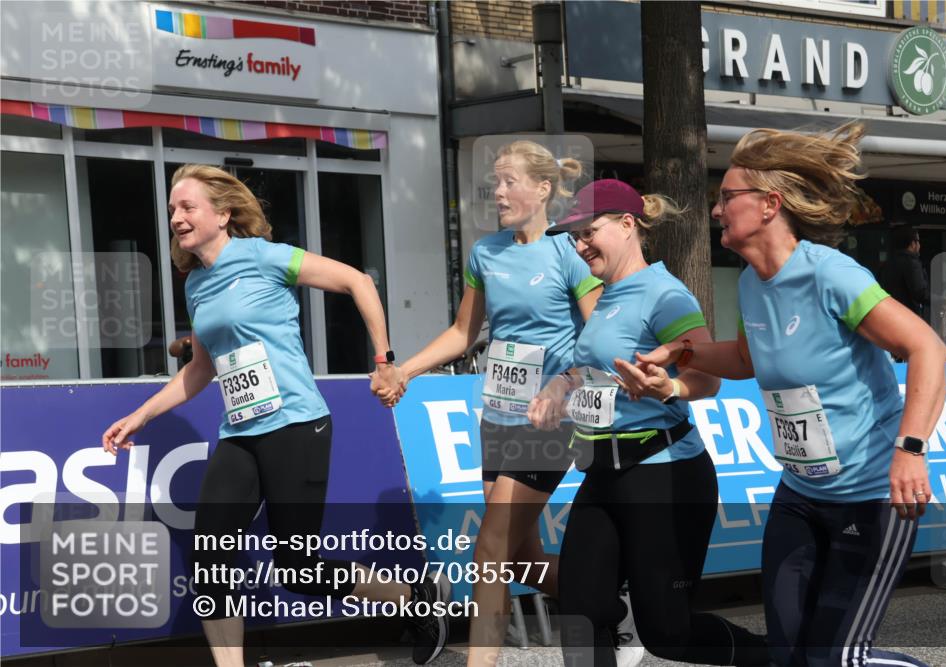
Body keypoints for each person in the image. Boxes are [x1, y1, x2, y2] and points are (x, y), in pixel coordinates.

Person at [103, 165, 448, 667]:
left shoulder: (264, 257)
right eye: (172, 209)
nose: (176, 217)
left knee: (297, 566)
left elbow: (357, 281)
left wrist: (383, 359)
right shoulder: (196, 284)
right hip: (240, 433)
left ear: (222, 214)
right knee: (211, 564)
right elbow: (201, 369)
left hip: (295, 425)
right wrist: (140, 415)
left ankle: (414, 599)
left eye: (188, 206)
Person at [637, 123, 946, 666]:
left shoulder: (830, 275)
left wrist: (910, 449)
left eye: (727, 198)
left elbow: (926, 347)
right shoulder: (753, 284)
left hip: (870, 497)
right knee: (784, 655)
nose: (716, 211)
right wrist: (679, 355)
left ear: (769, 205)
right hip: (800, 498)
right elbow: (744, 360)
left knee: (835, 660)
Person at [373, 140, 606, 667]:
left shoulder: (570, 250)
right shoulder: (487, 252)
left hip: (550, 420)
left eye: (509, 181)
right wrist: (404, 370)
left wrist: (565, 384)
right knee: (520, 559)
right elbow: (462, 331)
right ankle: (604, 612)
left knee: (490, 549)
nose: (498, 192)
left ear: (542, 188)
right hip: (498, 416)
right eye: (494, 183)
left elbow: (601, 338)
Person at [527, 179, 769, 667]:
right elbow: (598, 366)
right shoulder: (607, 295)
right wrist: (562, 384)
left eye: (587, 231)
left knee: (667, 633)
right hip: (601, 472)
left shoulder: (664, 293)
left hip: (663, 474)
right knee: (580, 609)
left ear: (626, 224)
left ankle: (776, 657)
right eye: (574, 236)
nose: (579, 245)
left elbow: (706, 377)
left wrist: (671, 387)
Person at [877, 225, 929, 320]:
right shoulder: (911, 263)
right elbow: (920, 293)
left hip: (890, 315)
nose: (919, 245)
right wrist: (943, 300)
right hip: (909, 316)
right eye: (918, 241)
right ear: (913, 244)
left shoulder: (887, 264)